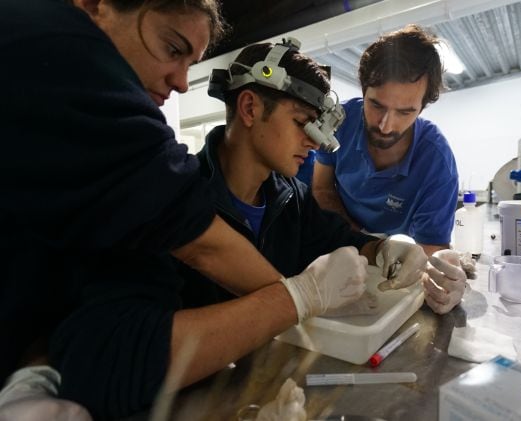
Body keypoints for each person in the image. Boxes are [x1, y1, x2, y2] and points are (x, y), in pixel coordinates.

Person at [0, 0, 369, 419]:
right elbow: (112, 353)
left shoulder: (291, 199)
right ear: (249, 108)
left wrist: (393, 247)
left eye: (190, 61)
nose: (179, 83)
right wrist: (297, 299)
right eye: (172, 48)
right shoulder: (153, 194)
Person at [185, 39, 431, 310]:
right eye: (302, 123)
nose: (314, 144)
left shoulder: (292, 198)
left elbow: (341, 239)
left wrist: (386, 250)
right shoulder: (180, 197)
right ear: (249, 108)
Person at [312, 24, 466, 314]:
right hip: (342, 241)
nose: (385, 125)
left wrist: (443, 280)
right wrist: (361, 242)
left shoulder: (437, 162)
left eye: (405, 112)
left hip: (397, 260)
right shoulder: (340, 123)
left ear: (422, 107)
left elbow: (431, 248)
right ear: (363, 90)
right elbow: (321, 188)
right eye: (376, 105)